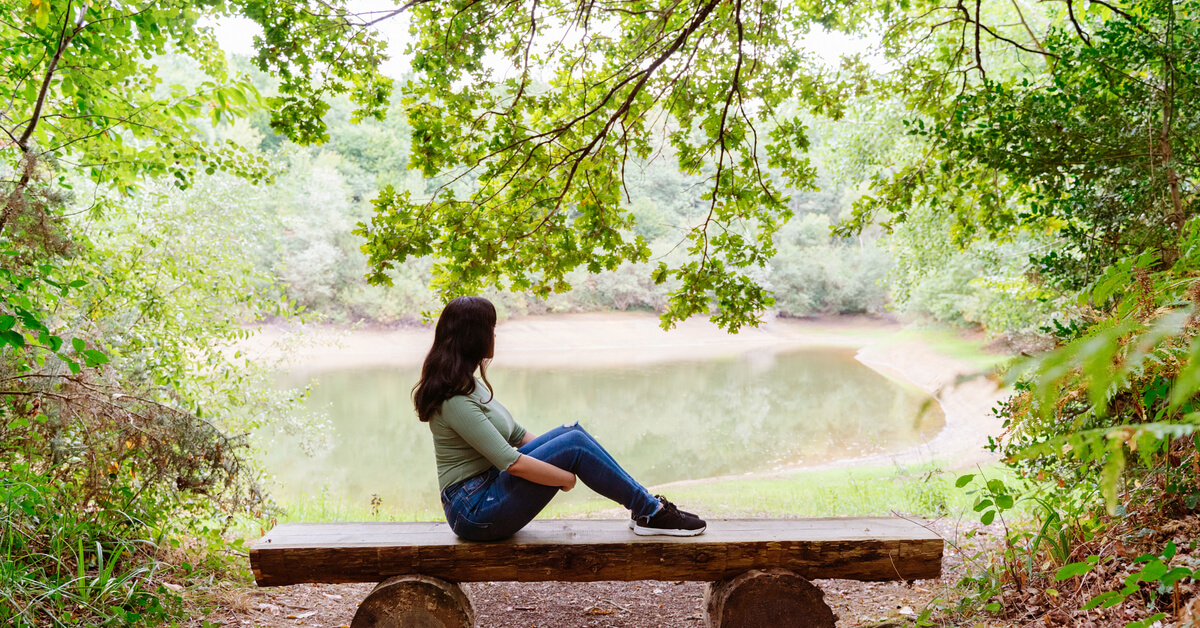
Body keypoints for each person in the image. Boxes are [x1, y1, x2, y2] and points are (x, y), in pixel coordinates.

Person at [413, 296, 707, 542]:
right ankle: (651, 512)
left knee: (572, 434)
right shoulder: (454, 401)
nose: (495, 335)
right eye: (491, 328)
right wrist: (565, 475)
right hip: (473, 511)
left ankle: (647, 508)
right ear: (473, 337)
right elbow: (511, 462)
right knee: (574, 446)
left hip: (487, 490)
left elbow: (516, 434)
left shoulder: (468, 384)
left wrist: (562, 453)